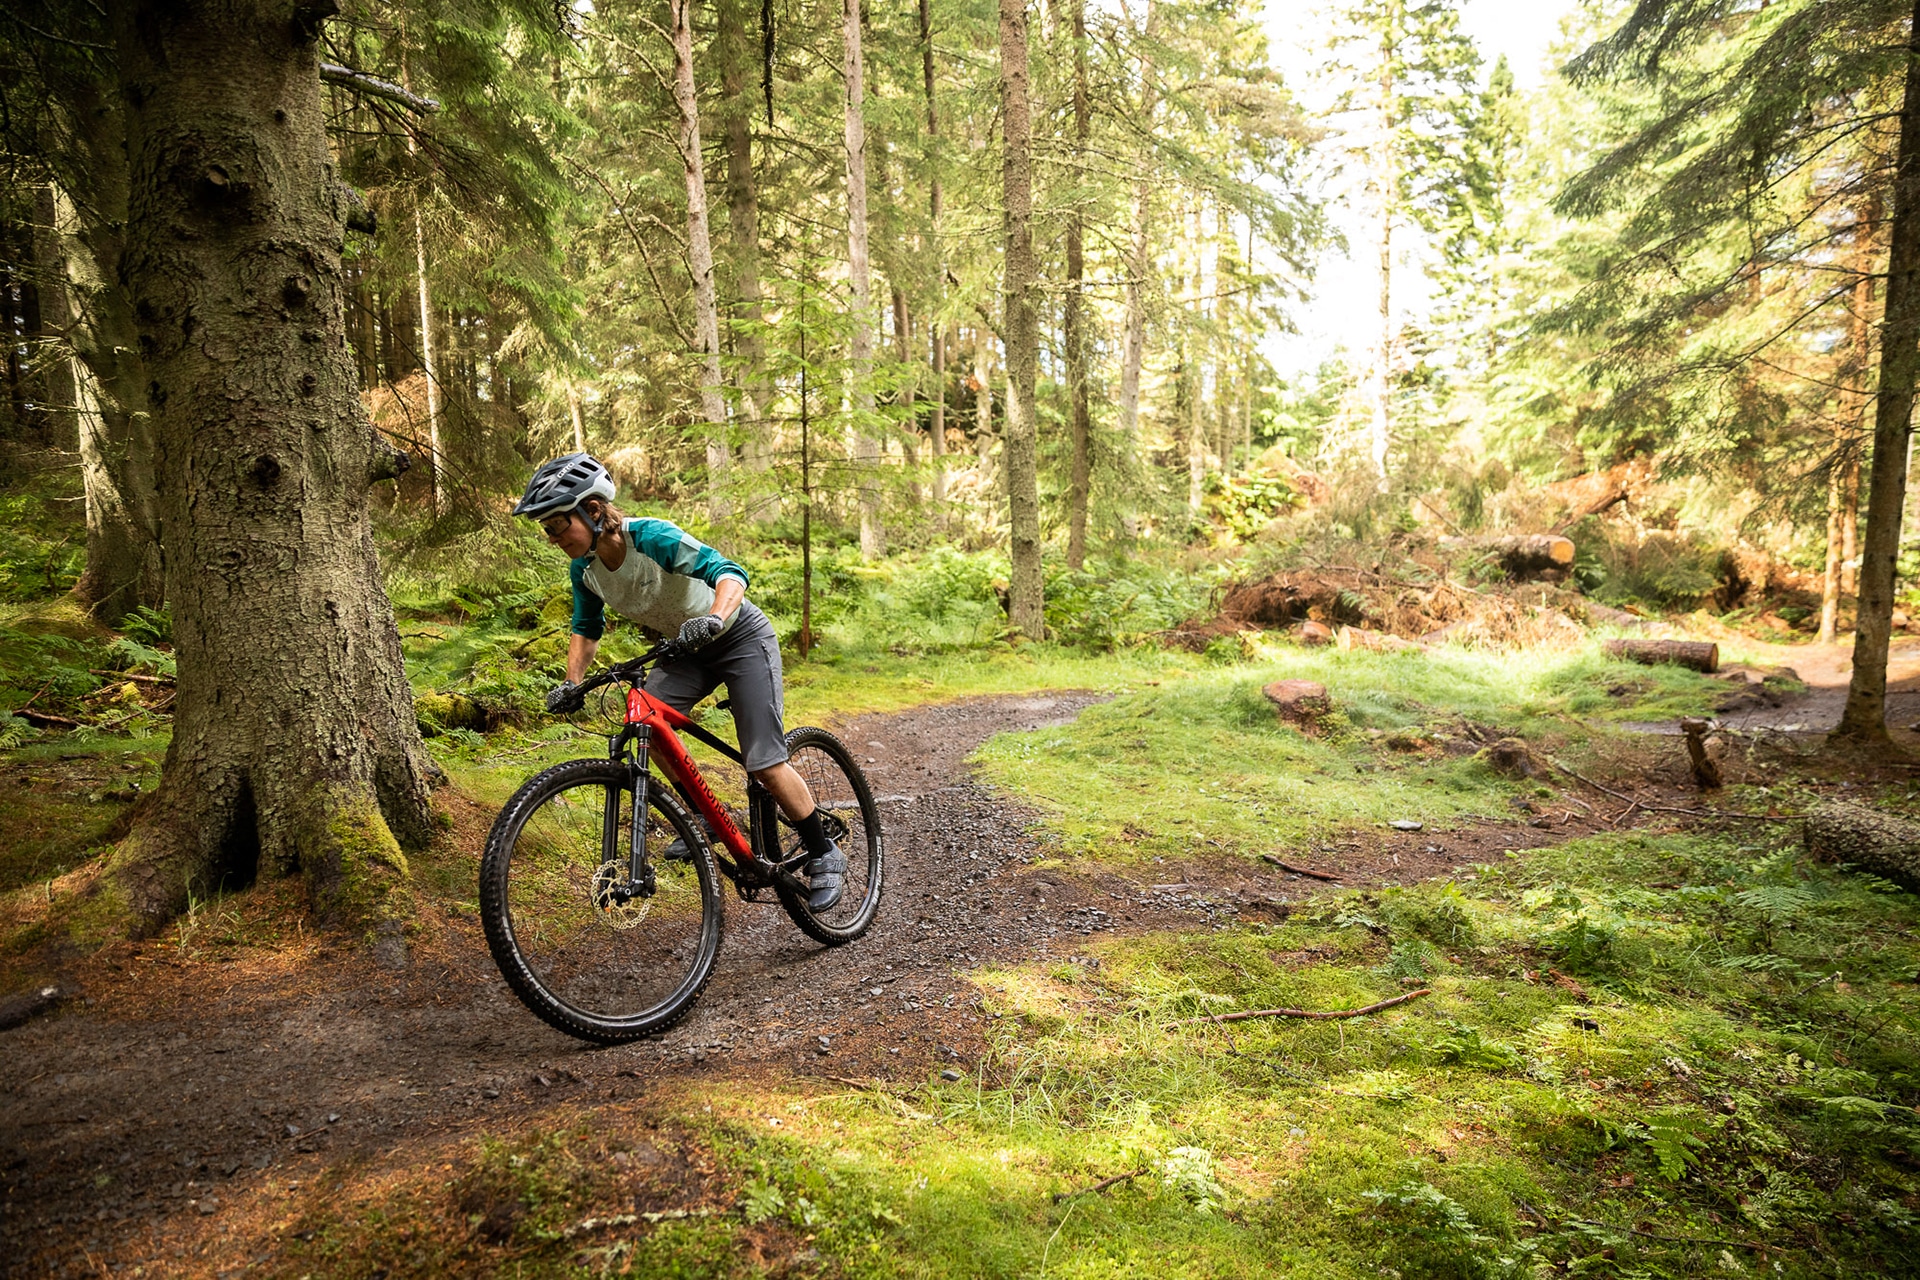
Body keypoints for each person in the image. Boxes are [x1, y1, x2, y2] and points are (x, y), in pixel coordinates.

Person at [514, 453, 847, 910]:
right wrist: (572, 682)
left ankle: (824, 851)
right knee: (648, 723)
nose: (552, 538)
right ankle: (709, 817)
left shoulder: (652, 536)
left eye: (557, 525)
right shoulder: (585, 570)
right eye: (546, 529)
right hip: (684, 650)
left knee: (764, 762)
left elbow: (728, 573)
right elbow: (586, 628)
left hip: (738, 635)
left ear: (592, 511)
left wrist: (714, 617)